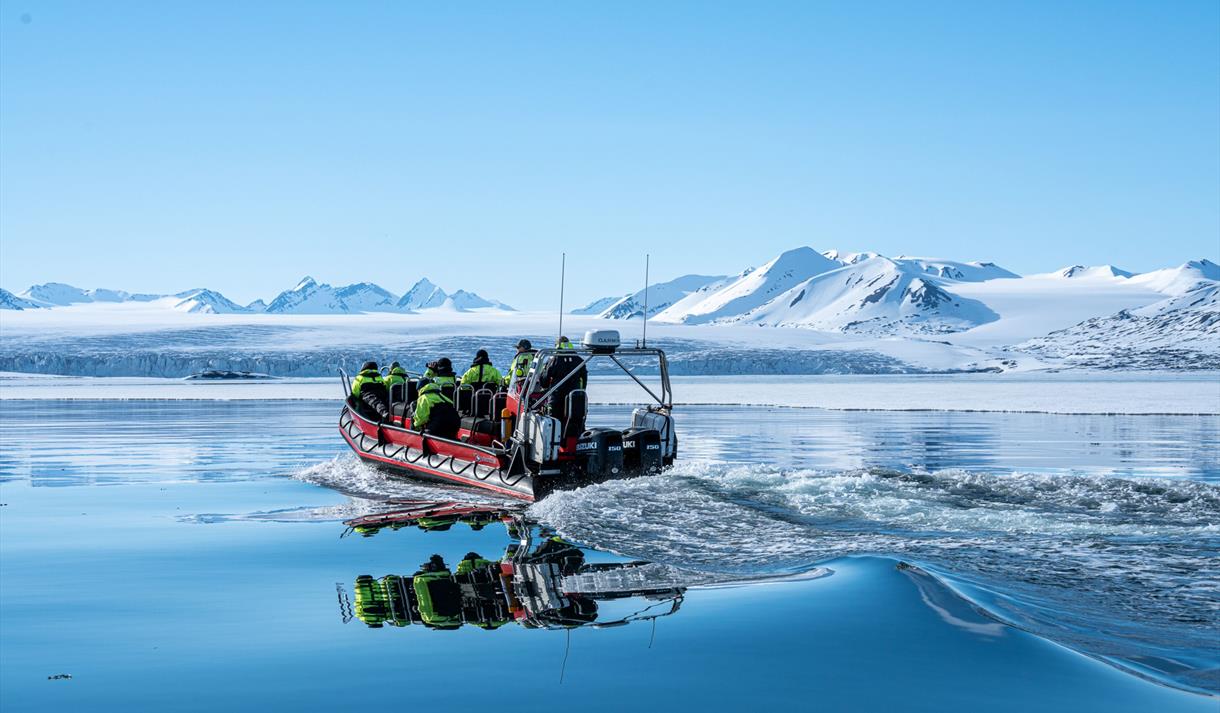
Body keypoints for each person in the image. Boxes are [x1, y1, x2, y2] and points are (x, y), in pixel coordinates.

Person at [540, 337, 587, 421]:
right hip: (575, 397)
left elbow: (544, 381)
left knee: (554, 421)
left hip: (557, 397)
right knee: (576, 421)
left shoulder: (554, 360)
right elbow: (584, 379)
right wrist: (581, 391)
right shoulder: (578, 360)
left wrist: (545, 385)